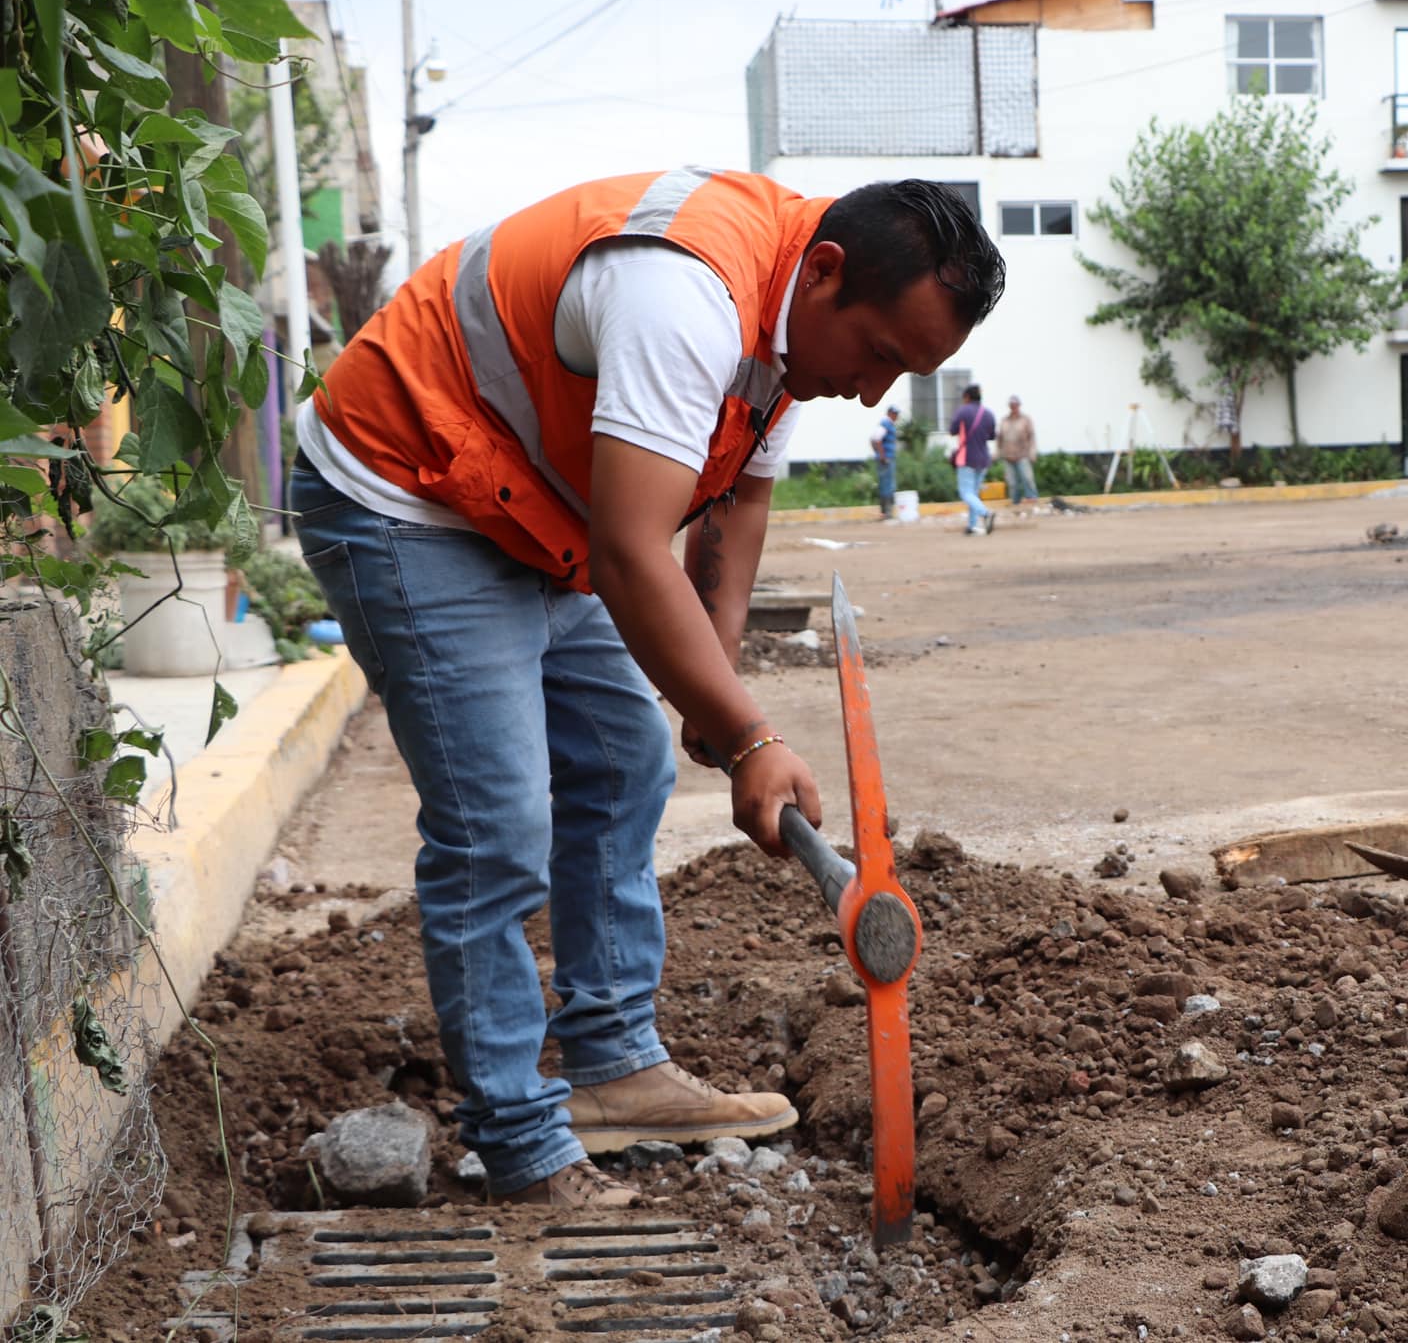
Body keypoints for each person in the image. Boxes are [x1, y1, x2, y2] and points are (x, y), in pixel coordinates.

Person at [288, 171, 1004, 1207]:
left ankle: (613, 1065)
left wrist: (710, 702)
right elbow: (632, 553)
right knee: (496, 823)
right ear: (827, 272)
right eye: (883, 356)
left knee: (623, 759)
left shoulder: (793, 332)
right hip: (410, 482)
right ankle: (520, 1140)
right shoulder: (685, 294)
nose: (875, 393)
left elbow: (735, 506)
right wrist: (754, 740)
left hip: (537, 500)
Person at [949, 383, 997, 535]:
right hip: (983, 458)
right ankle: (972, 526)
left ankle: (986, 514)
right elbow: (992, 435)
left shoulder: (963, 411)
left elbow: (952, 430)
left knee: (966, 493)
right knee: (973, 494)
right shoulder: (988, 413)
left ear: (967, 397)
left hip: (967, 457)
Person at [997, 394, 1038, 505]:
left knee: (1027, 478)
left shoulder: (1026, 420)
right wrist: (997, 452)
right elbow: (999, 438)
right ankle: (1015, 502)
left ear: (1019, 405)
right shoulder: (1004, 420)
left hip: (1022, 455)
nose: (1013, 407)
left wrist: (1032, 453)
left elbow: (1032, 437)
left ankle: (1032, 498)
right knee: (1012, 483)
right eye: (1011, 405)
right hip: (1008, 456)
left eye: (1015, 405)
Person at [871, 404, 900, 519]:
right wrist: (882, 456)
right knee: (888, 484)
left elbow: (874, 440)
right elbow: (876, 439)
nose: (896, 416)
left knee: (886, 484)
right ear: (890, 413)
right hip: (886, 459)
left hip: (887, 458)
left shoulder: (888, 424)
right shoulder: (885, 424)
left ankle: (885, 512)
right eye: (895, 414)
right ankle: (887, 512)